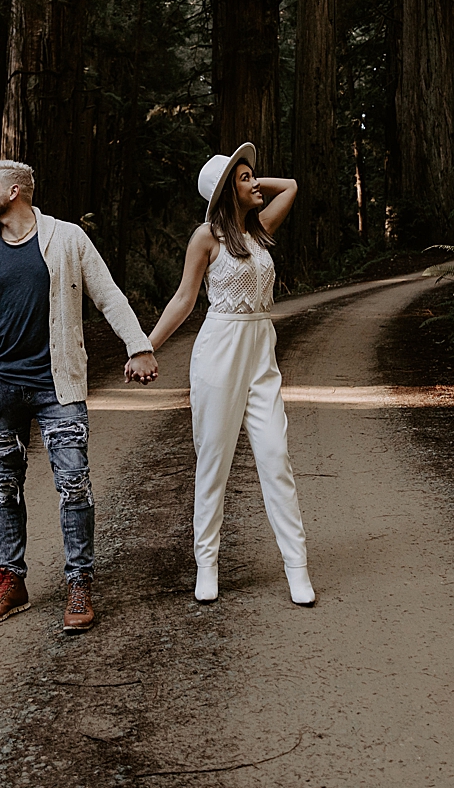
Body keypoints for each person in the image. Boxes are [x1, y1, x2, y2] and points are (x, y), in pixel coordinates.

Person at [0, 159, 157, 632]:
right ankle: (11, 581)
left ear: (14, 191)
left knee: (73, 482)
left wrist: (139, 346)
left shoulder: (67, 238)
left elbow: (108, 295)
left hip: (56, 386)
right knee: (5, 485)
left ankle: (79, 582)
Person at [137, 144, 314, 606]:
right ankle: (207, 565)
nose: (256, 184)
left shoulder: (260, 229)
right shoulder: (207, 237)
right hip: (219, 353)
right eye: (245, 178)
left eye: (254, 176)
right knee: (213, 462)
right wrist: (145, 347)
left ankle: (297, 568)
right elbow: (183, 300)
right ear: (224, 191)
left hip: (261, 354)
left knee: (276, 457)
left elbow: (291, 186)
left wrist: (248, 182)